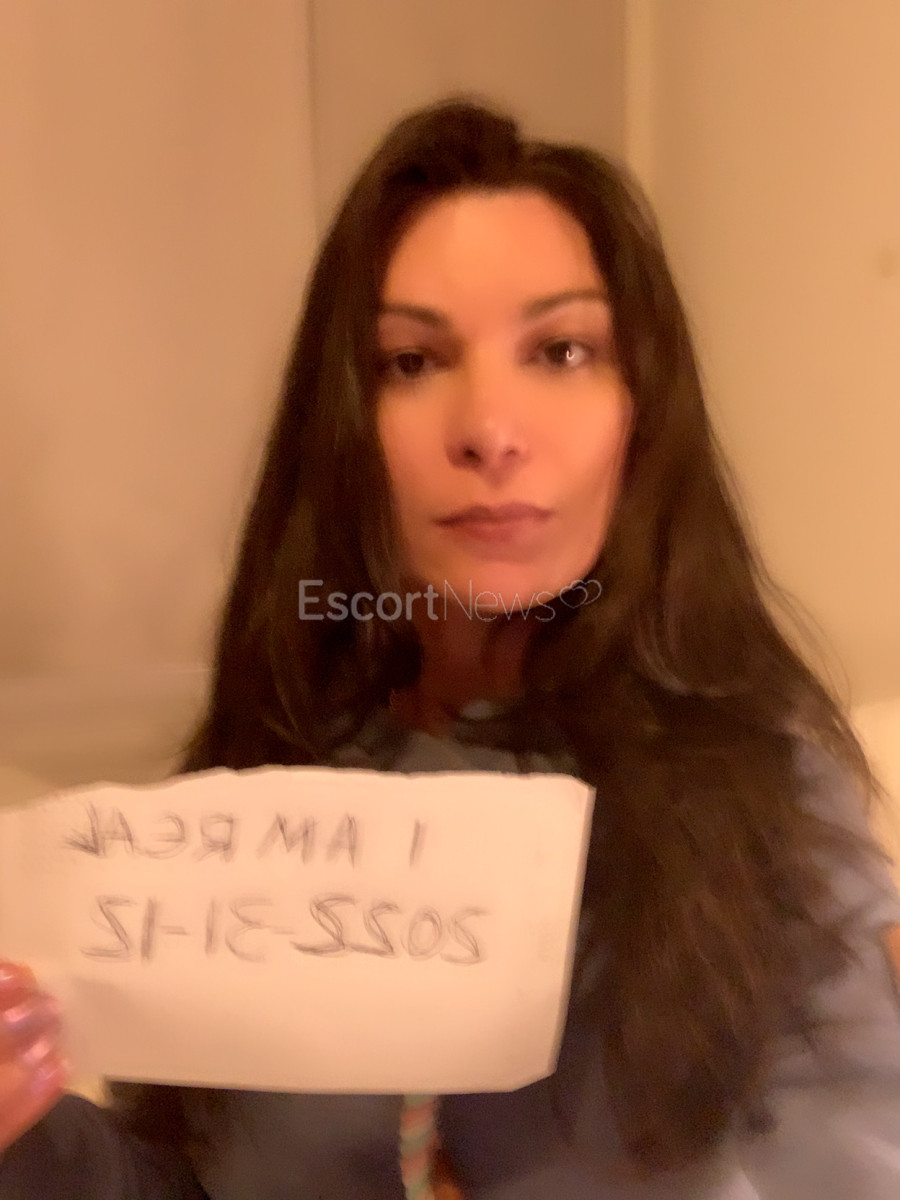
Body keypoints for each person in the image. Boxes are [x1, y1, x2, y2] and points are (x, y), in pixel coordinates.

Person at [2, 96, 900, 1200]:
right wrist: (25, 1132)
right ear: (344, 421)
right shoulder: (273, 774)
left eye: (560, 350)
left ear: (641, 409)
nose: (489, 429)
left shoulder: (763, 782)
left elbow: (859, 1160)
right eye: (412, 361)